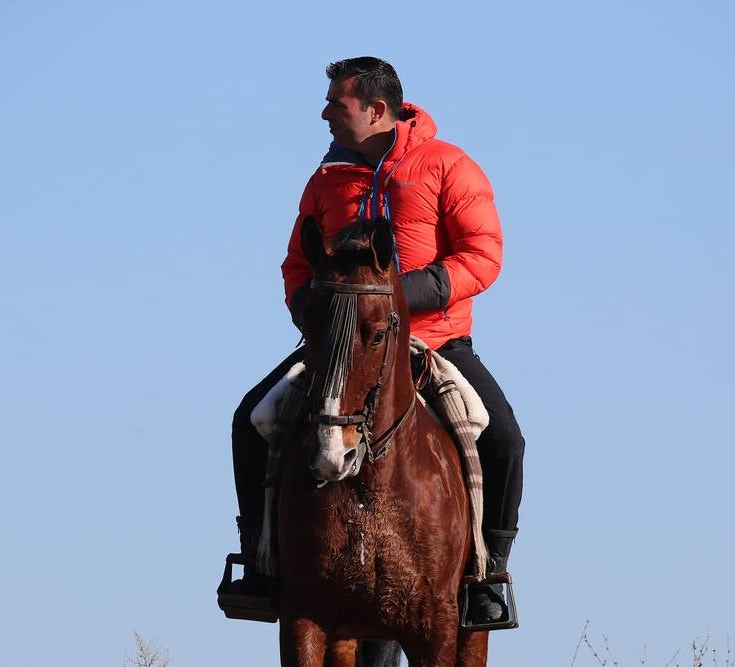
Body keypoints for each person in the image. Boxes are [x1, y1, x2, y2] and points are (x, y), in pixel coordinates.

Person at [220, 57, 524, 629]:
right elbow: (296, 263)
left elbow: (483, 257)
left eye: (337, 104)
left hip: (435, 341)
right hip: (341, 347)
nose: (325, 113)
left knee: (505, 439)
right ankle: (261, 564)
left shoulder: (449, 165)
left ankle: (488, 576)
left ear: (376, 109)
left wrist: (399, 300)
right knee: (249, 420)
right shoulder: (325, 180)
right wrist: (309, 308)